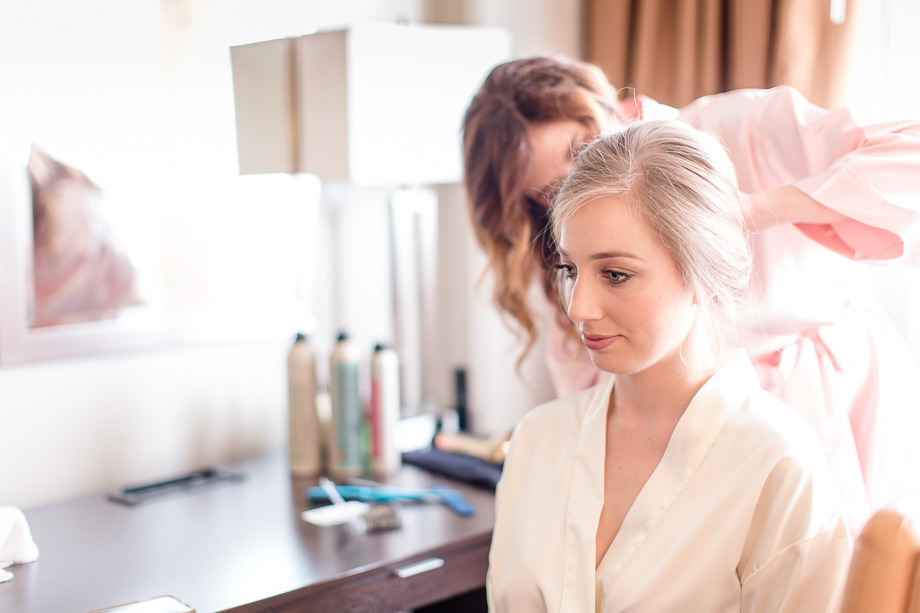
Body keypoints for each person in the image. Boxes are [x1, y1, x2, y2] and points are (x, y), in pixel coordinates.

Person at [461, 56, 920, 534]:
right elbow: (598, 407)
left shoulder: (741, 129)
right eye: (552, 190)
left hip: (841, 407)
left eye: (581, 149)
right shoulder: (575, 273)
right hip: (694, 439)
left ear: (603, 108)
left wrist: (760, 208)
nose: (581, 184)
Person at [486, 119, 852, 612]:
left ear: (703, 275)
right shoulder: (537, 440)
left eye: (615, 274)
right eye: (570, 269)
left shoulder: (777, 465)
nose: (578, 307)